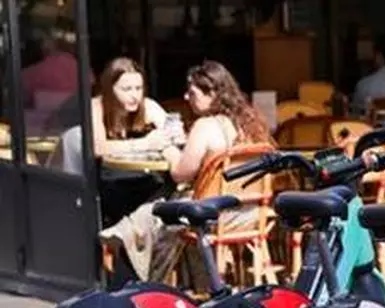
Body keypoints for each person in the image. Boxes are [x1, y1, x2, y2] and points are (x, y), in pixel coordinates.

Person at [100, 60, 273, 284]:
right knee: (156, 212)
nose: (186, 97)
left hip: (213, 216)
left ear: (211, 93)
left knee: (154, 214)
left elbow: (181, 174)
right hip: (248, 214)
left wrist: (168, 148)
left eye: (192, 93)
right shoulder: (249, 123)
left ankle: (142, 275)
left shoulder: (206, 126)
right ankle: (127, 236)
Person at [90, 57, 173, 158]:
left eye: (138, 88)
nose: (135, 96)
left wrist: (168, 134)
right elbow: (97, 148)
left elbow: (173, 133)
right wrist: (145, 144)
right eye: (126, 89)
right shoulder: (96, 106)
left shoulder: (148, 105)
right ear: (110, 90)